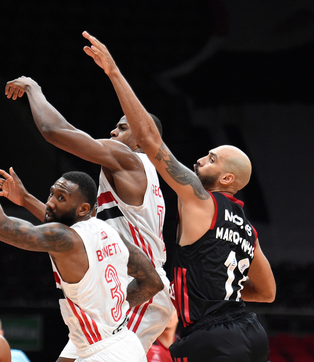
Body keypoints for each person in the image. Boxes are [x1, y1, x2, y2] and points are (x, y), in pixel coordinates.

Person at [81, 31, 276, 361]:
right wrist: (218, 292)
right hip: (251, 332)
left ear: (228, 178)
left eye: (212, 158)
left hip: (211, 336)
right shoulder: (247, 229)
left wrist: (113, 71)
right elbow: (268, 292)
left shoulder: (201, 198)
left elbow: (148, 138)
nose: (201, 159)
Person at [2, 76, 174, 361]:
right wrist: (26, 200)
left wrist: (34, 88)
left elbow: (55, 131)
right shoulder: (131, 176)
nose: (112, 131)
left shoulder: (130, 160)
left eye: (122, 127)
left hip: (141, 284)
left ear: (144, 137)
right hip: (118, 286)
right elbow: (79, 236)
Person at [0, 119, 163, 362]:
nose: (50, 202)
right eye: (51, 193)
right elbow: (153, 282)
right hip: (119, 342)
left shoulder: (65, 239)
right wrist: (115, 310)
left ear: (82, 209)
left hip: (104, 352)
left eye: (61, 198)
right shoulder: (110, 232)